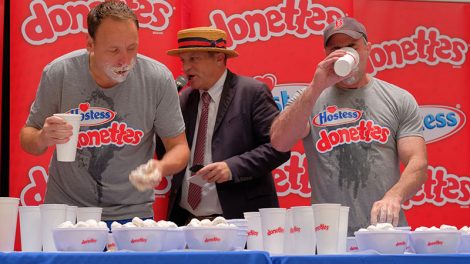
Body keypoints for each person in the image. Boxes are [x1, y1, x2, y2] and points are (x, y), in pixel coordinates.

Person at [20, 1, 190, 224]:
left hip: (132, 214)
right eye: (114, 50)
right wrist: (43, 137)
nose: (125, 60)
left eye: (132, 48)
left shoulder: (157, 79)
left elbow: (179, 147)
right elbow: (27, 137)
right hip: (67, 212)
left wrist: (161, 166)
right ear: (90, 44)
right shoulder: (59, 73)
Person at [270, 17, 428, 234]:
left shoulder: (398, 99)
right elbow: (280, 141)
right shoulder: (308, 99)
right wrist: (317, 86)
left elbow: (417, 161)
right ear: (327, 55)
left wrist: (395, 195)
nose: (344, 53)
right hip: (328, 235)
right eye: (336, 48)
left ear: (367, 48)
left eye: (351, 46)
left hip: (385, 230)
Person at [158, 27, 291, 225]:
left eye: (193, 59)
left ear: (219, 58)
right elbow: (166, 152)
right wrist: (160, 112)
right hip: (187, 220)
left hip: (239, 220)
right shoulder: (184, 99)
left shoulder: (252, 93)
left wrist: (232, 167)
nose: (186, 68)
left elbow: (278, 148)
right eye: (183, 61)